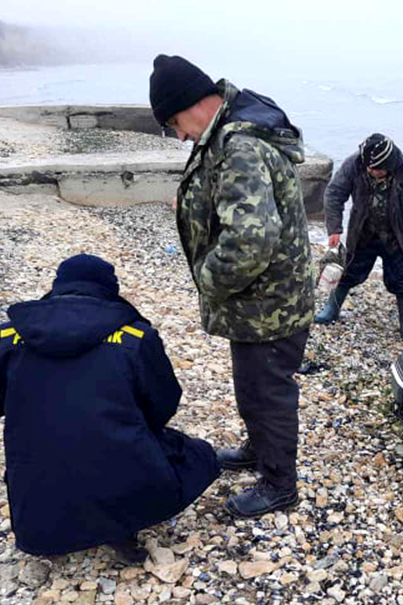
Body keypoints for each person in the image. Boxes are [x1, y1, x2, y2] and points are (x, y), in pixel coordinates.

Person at [0, 254, 221, 563]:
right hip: (119, 473)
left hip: (37, 501)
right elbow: (162, 406)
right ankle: (122, 524)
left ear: (58, 286)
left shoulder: (8, 337)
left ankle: (56, 519)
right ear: (110, 289)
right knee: (198, 456)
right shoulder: (136, 337)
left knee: (44, 456)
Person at [149, 54, 314, 518]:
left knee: (268, 392)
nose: (180, 136)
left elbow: (251, 240)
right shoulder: (228, 132)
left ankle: (280, 484)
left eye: (174, 123)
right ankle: (260, 451)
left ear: (192, 103)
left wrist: (208, 281)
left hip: (270, 305)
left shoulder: (239, 145)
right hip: (259, 302)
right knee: (252, 386)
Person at [317, 133, 403, 341]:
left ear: (390, 165)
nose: (373, 171)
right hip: (363, 231)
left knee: (402, 277)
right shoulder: (354, 164)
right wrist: (334, 229)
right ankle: (332, 308)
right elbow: (334, 194)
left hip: (398, 234)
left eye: (379, 169)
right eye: (370, 168)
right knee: (348, 271)